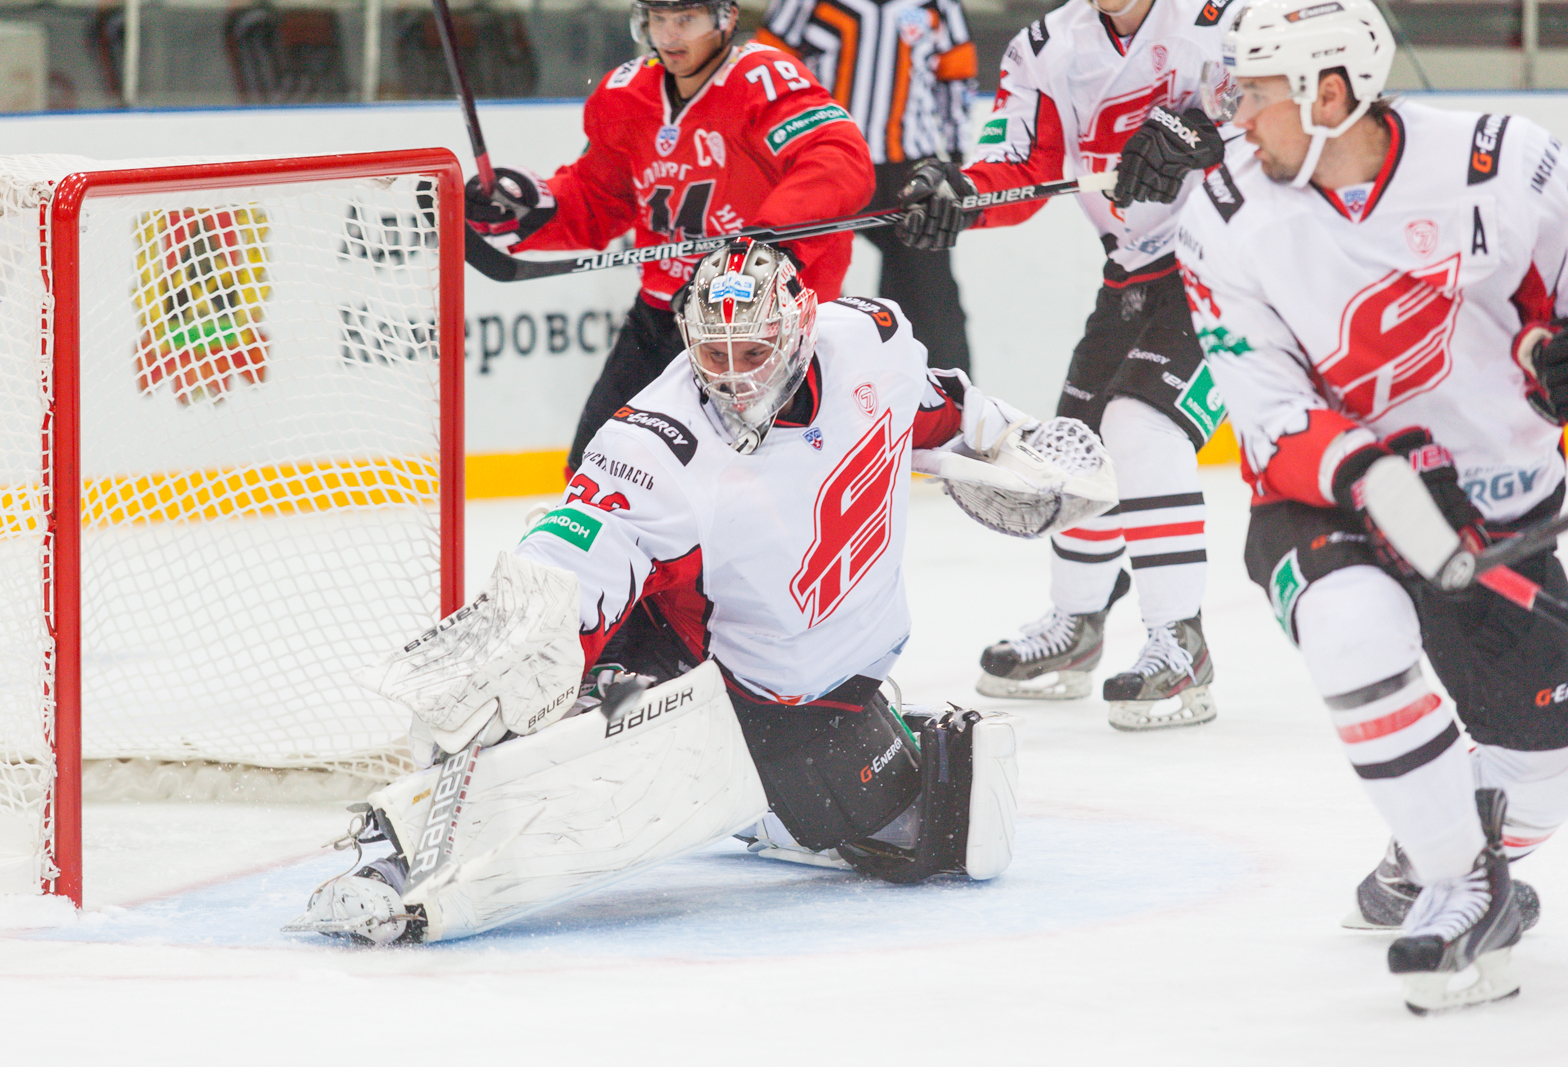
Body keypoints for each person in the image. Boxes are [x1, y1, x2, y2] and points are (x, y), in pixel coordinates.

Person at [285, 239, 1116, 945]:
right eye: (710, 354)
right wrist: (535, 619)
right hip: (716, 680)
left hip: (841, 682)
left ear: (796, 328)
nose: (729, 376)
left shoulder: (871, 337)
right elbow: (589, 529)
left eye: (750, 354)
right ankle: (407, 856)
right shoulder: (656, 438)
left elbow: (934, 402)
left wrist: (1008, 438)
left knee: (952, 829)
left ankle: (774, 811)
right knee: (604, 751)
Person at [1176, 0, 1568, 1013]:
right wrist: (1370, 475)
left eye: (1257, 91)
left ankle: (1431, 841)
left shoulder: (1500, 161)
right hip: (1329, 491)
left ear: (1329, 94)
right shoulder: (1221, 214)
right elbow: (1261, 405)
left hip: (1494, 498)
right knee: (1350, 627)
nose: (1236, 111)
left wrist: (1553, 354)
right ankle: (1457, 878)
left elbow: (1552, 303)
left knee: (1540, 773)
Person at [890, 0, 1239, 730]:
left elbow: (1295, 108)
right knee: (1078, 449)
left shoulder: (1223, 15)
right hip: (1132, 274)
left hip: (1231, 265)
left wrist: (1204, 132)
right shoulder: (1046, 45)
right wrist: (963, 193)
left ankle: (1182, 640)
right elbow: (1020, 167)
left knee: (1141, 427)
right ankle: (1078, 626)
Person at [463, 0, 875, 473]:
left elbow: (837, 158)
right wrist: (534, 205)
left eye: (685, 19)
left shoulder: (764, 80)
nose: (670, 36)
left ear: (725, 19)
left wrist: (768, 242)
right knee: (595, 466)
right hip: (665, 312)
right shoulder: (628, 93)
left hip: (763, 332)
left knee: (750, 483)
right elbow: (600, 194)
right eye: (659, 20)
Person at [754, 0, 978, 374]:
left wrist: (954, 161)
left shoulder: (939, 4)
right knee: (803, 290)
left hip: (909, 169)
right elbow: (767, 69)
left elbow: (956, 75)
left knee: (930, 303)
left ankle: (943, 411)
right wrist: (768, 153)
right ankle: (797, 393)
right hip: (822, 163)